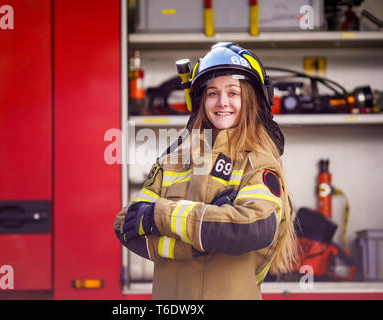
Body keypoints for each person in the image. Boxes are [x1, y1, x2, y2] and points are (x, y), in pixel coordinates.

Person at [113, 42, 298, 300]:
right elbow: (126, 224)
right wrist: (202, 241)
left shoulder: (258, 163)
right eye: (212, 93)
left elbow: (254, 228)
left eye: (233, 92)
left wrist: (161, 216)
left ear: (252, 99)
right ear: (201, 100)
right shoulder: (173, 161)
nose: (222, 102)